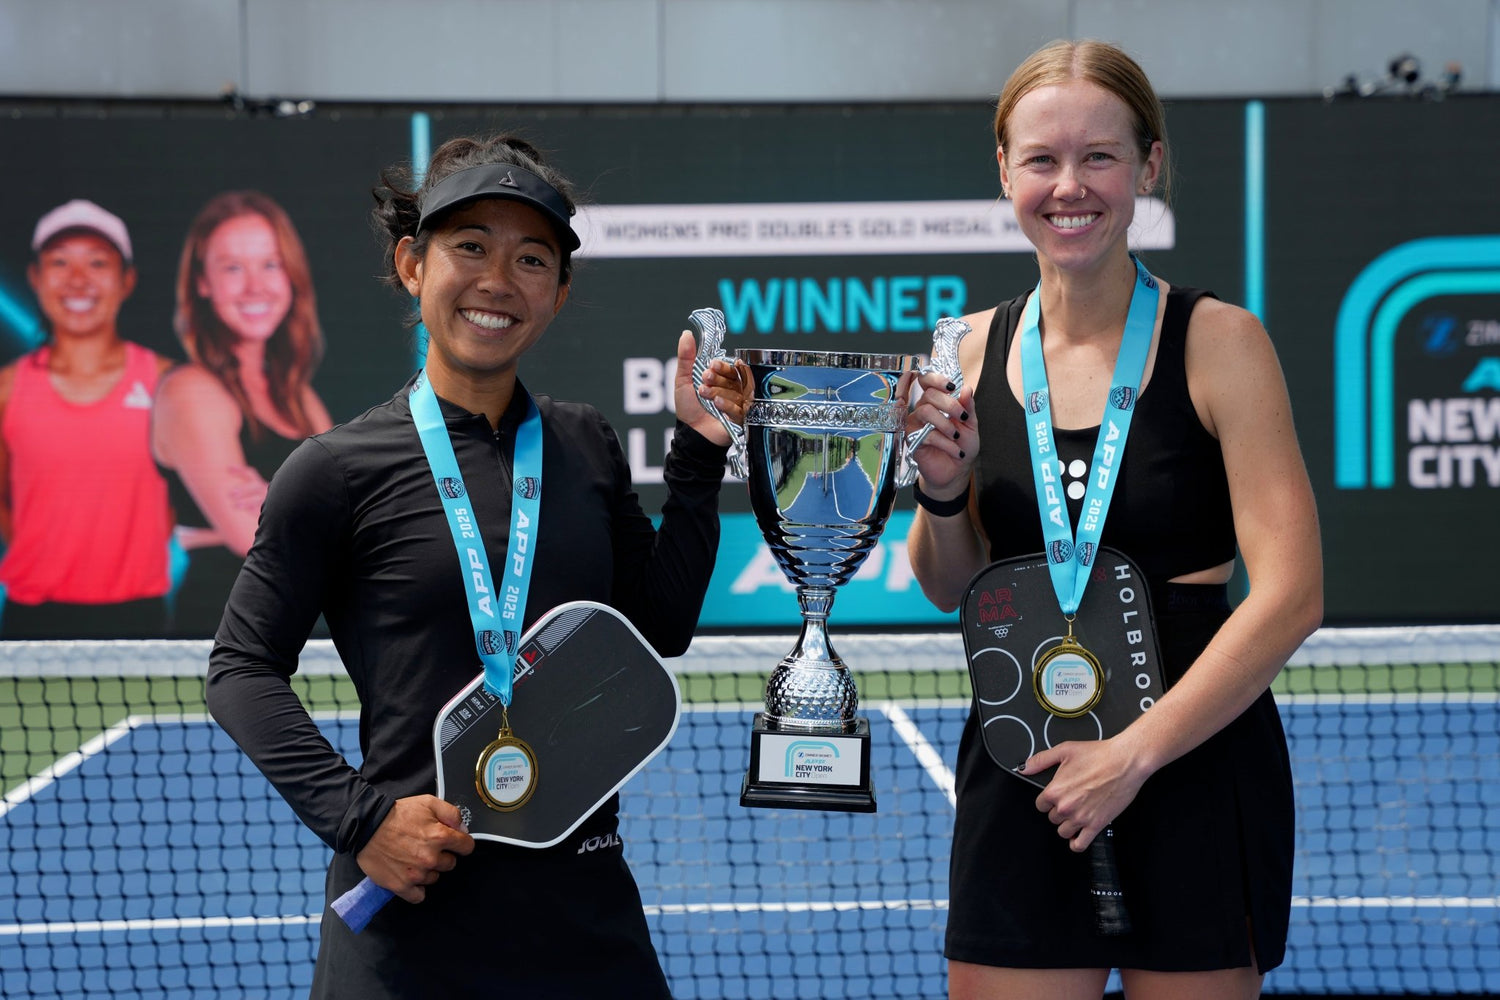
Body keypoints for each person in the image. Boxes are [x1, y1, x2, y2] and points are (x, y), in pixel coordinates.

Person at [204, 133, 749, 998]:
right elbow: (240, 669)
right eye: (470, 247)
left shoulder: (585, 442)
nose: (498, 280)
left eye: (532, 259)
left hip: (585, 919)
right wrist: (362, 821)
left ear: (558, 294)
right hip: (409, 922)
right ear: (411, 265)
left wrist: (698, 448)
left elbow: (661, 629)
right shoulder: (334, 471)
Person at [905, 40, 1323, 1000]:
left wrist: (1131, 756)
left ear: (1148, 166)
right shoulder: (962, 349)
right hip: (1027, 759)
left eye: (1099, 156)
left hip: (1194, 756)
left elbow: (1293, 595)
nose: (1070, 186)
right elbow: (946, 584)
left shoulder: (1221, 343)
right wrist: (941, 492)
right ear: (1004, 171)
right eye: (1042, 159)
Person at [152, 190, 334, 635]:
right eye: (233, 267)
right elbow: (245, 534)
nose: (256, 286)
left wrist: (273, 498)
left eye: (270, 264)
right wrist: (314, 504)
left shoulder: (298, 396)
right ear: (202, 282)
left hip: (303, 635)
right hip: (225, 639)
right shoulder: (191, 391)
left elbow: (354, 514)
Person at [0, 199, 174, 637]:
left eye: (97, 262)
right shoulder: (6, 389)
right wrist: (41, 551)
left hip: (139, 619)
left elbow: (190, 494)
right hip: (32, 618)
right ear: (35, 277)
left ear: (127, 279)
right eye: (60, 262)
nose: (78, 280)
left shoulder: (168, 383)